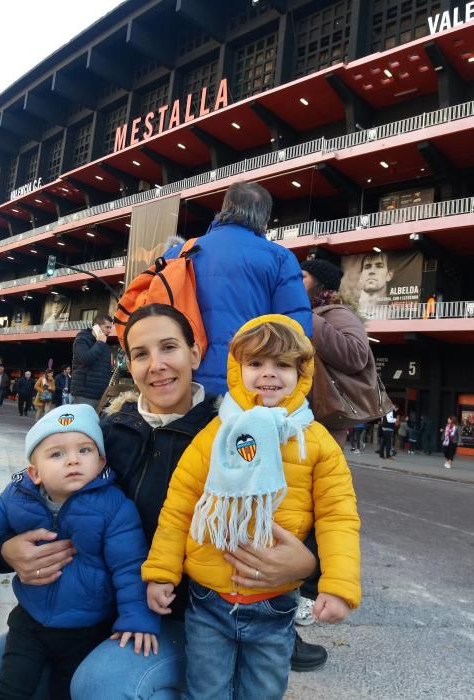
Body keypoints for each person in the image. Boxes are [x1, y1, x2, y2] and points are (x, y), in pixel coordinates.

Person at [0, 304, 320, 699]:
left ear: (195, 354)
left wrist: (308, 566)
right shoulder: (103, 433)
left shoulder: (236, 433)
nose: (156, 364)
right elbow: (25, 496)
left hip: (188, 618)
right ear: (128, 363)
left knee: (102, 686)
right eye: (141, 353)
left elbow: (314, 513)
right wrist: (7, 552)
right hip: (84, 614)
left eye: (169, 348)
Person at [143, 315, 361, 699]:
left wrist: (339, 585)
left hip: (275, 604)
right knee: (205, 692)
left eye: (282, 364)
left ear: (302, 372)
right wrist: (162, 572)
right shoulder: (215, 435)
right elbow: (178, 506)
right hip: (208, 601)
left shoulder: (317, 442)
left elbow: (337, 516)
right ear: (237, 369)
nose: (268, 375)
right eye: (256, 363)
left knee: (262, 692)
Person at [0, 404, 159, 699]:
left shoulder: (114, 507)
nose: (73, 460)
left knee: (67, 690)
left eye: (84, 451)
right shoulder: (17, 497)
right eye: (57, 454)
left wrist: (136, 617)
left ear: (101, 463)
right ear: (34, 473)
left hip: (87, 627)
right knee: (11, 688)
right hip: (30, 622)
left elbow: (129, 567)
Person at [164, 181, 312, 394]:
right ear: (265, 219)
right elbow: (295, 332)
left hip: (180, 382)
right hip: (245, 386)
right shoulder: (280, 258)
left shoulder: (178, 253)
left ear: (224, 208)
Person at [300, 259, 371, 448]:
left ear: (320, 283)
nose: (296, 282)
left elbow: (356, 354)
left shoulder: (337, 313)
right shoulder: (310, 311)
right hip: (307, 413)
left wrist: (307, 320)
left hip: (324, 419)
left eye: (303, 277)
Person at [71, 314, 113, 408]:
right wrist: (100, 343)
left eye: (111, 328)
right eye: (107, 327)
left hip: (101, 395)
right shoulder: (81, 340)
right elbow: (86, 359)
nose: (110, 331)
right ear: (96, 326)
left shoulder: (104, 345)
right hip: (84, 394)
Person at [357, 251, 394, 318]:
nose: (372, 271)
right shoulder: (349, 311)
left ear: (389, 275)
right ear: (360, 276)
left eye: (379, 266)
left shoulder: (394, 314)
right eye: (367, 267)